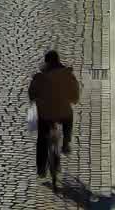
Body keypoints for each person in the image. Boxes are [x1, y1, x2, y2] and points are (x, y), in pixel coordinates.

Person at [27, 50, 80, 181]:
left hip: (45, 114)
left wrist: (35, 100)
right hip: (63, 112)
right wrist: (73, 100)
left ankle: (41, 168)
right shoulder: (67, 74)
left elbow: (32, 93)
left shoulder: (39, 77)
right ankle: (66, 143)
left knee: (42, 139)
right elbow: (75, 93)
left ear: (46, 62)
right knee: (69, 117)